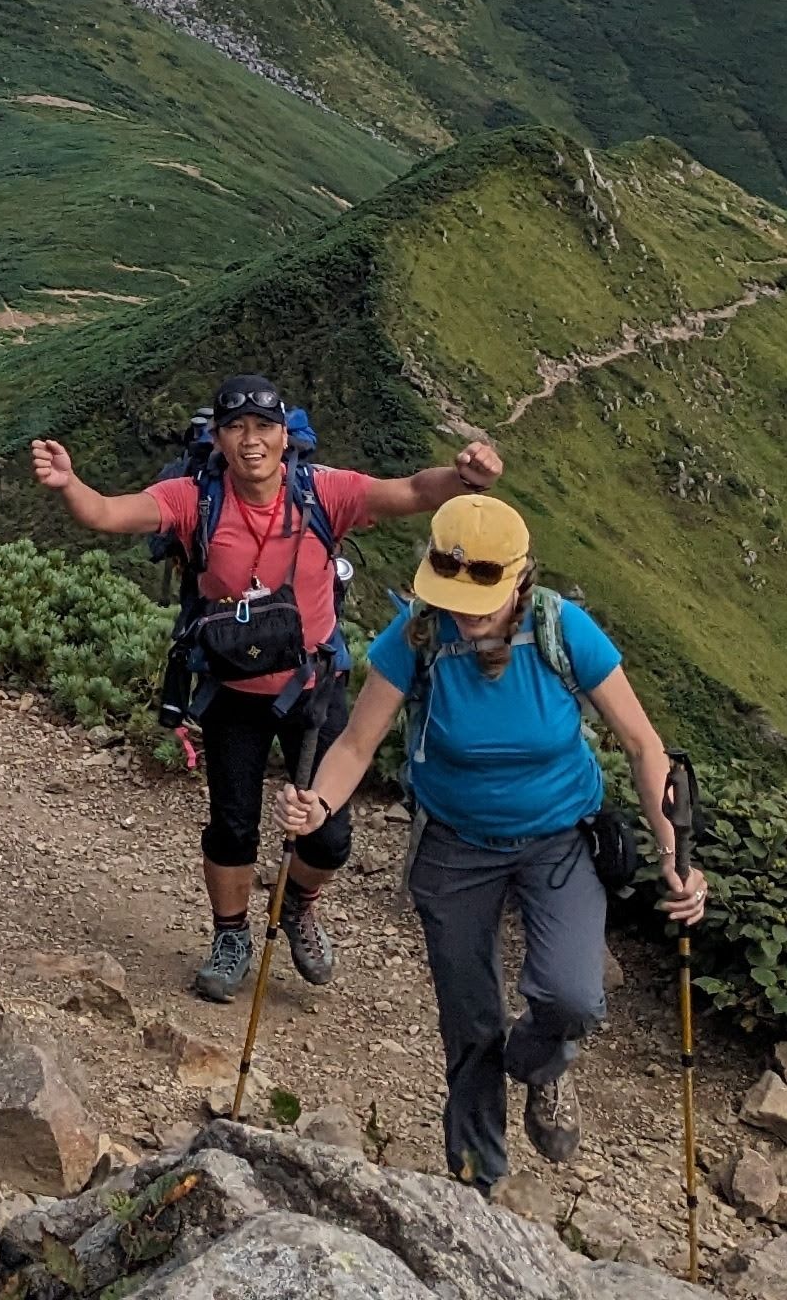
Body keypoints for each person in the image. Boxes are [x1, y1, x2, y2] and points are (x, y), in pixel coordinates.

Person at [277, 493, 710, 1192]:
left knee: (574, 998)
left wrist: (673, 857)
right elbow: (357, 744)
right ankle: (475, 1179)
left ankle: (541, 1065)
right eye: (453, 593)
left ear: (520, 579)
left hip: (560, 838)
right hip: (455, 843)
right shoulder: (415, 639)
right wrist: (317, 803)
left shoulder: (563, 630)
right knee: (470, 1018)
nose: (466, 611)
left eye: (481, 594)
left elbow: (642, 744)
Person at [30, 377, 504, 1001]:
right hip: (232, 690)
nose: (250, 441)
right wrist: (70, 484)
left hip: (313, 685)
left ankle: (300, 905)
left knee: (328, 834)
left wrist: (465, 476)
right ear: (220, 438)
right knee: (232, 827)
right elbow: (111, 513)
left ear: (285, 436)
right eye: (236, 428)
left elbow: (413, 491)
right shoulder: (193, 499)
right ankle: (231, 934)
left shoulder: (322, 491)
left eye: (263, 427)